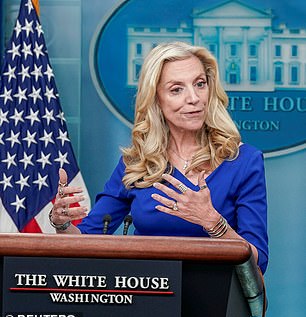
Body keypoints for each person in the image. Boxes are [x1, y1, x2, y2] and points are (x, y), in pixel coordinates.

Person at [49, 41, 268, 274]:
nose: (194, 98)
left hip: (217, 300)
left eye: (200, 84)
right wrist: (62, 223)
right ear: (156, 100)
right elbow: (87, 240)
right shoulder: (137, 163)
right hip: (147, 297)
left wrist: (212, 221)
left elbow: (258, 261)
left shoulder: (244, 161)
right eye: (176, 89)